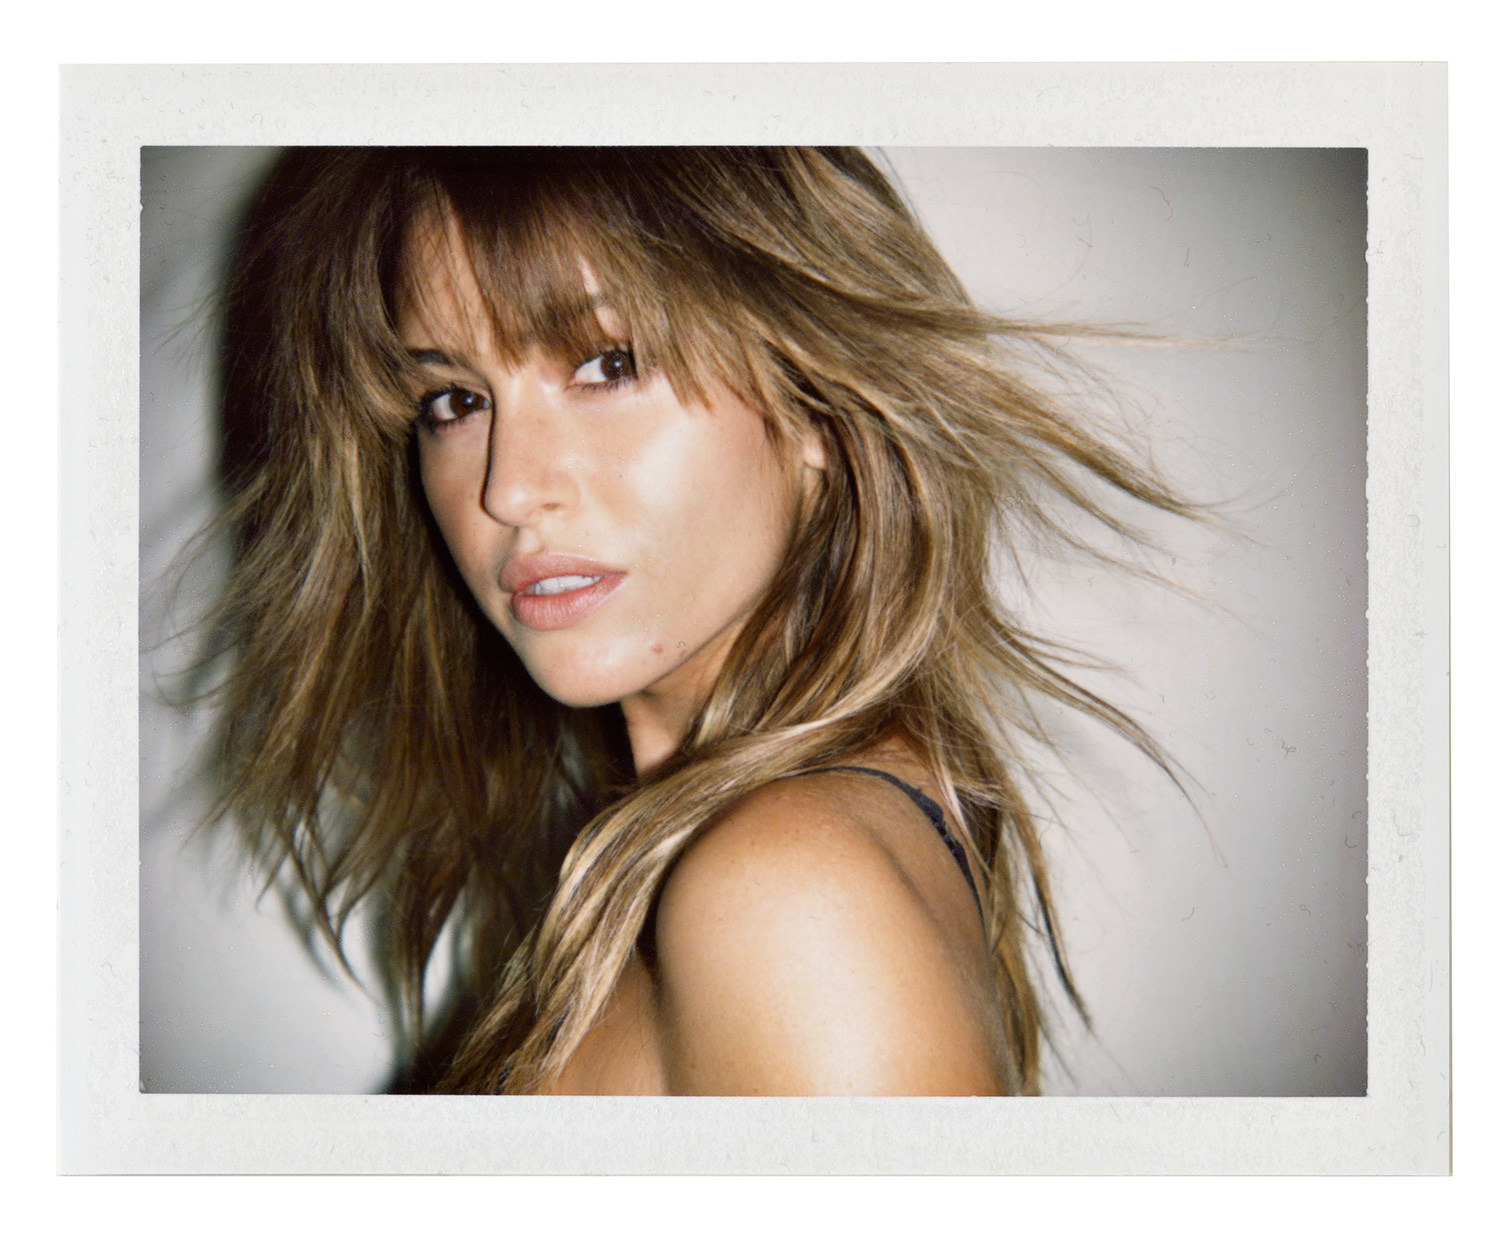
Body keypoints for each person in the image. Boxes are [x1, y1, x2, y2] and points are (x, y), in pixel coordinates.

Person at [200, 146, 1189, 1096]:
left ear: (816, 405)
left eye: (608, 363)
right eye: (456, 399)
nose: (508, 487)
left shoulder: (789, 889)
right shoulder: (782, 839)